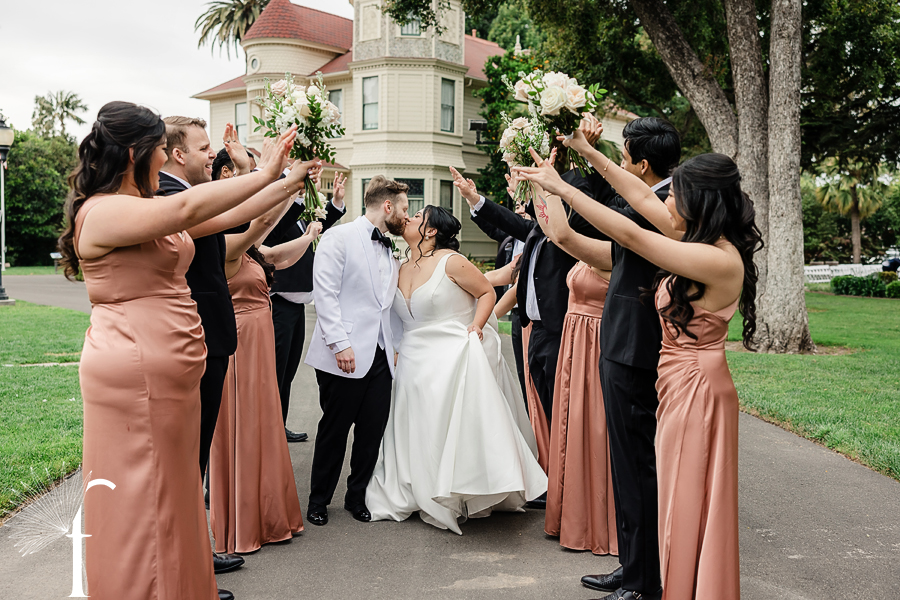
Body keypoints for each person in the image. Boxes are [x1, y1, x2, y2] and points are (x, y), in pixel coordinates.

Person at [58, 101, 309, 600]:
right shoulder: (104, 212)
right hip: (135, 372)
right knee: (144, 496)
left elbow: (223, 215)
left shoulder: (145, 208)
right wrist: (264, 168)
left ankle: (180, 586)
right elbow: (190, 207)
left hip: (166, 376)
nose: (163, 160)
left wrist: (284, 182)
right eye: (158, 151)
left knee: (173, 492)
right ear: (137, 153)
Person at [517, 138, 761, 600]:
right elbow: (643, 197)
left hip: (697, 389)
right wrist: (587, 152)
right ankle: (666, 579)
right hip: (677, 380)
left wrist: (564, 191)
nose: (666, 200)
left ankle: (681, 586)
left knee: (684, 493)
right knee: (673, 491)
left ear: (701, 203)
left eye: (677, 195)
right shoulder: (695, 238)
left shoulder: (716, 257)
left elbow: (630, 235)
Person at [157, 119, 309, 578]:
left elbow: (240, 212)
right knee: (186, 463)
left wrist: (284, 180)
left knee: (193, 462)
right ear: (177, 153)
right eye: (205, 148)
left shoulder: (181, 194)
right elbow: (240, 219)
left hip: (209, 337)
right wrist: (268, 174)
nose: (212, 155)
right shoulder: (169, 196)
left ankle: (195, 559)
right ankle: (187, 565)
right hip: (190, 341)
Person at [537, 116, 677, 598]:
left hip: (637, 347)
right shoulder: (654, 200)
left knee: (637, 464)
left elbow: (619, 231)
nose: (619, 164)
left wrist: (568, 184)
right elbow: (615, 257)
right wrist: (563, 233)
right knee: (626, 463)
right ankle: (632, 562)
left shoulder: (665, 205)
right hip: (622, 342)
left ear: (641, 164)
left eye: (623, 157)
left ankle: (643, 580)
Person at [365, 205, 547, 533]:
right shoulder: (399, 266)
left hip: (449, 354)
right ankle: (418, 488)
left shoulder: (451, 261)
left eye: (417, 217)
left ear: (432, 231)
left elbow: (486, 292)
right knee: (417, 426)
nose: (409, 219)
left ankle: (458, 490)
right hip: (411, 358)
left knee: (444, 424)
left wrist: (477, 326)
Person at [207, 156, 325, 555]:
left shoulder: (252, 250)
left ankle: (269, 514)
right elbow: (260, 221)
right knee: (244, 428)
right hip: (240, 345)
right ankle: (241, 520)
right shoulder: (225, 248)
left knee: (264, 424)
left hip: (257, 341)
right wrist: (288, 183)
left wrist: (308, 234)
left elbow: (275, 252)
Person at [511, 166, 618, 556]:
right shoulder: (541, 231)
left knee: (578, 424)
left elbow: (562, 231)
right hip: (552, 334)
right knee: (559, 422)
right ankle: (563, 494)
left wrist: (550, 185)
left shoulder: (588, 241)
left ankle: (584, 502)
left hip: (581, 341)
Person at [303, 175, 409, 526]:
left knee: (371, 430)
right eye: (404, 209)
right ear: (387, 206)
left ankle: (357, 496)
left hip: (380, 354)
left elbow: (386, 305)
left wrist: (394, 346)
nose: (406, 218)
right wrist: (340, 344)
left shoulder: (391, 248)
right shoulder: (339, 237)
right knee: (335, 429)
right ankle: (318, 501)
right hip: (342, 353)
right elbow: (325, 294)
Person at [263, 171, 346, 443]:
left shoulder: (301, 218)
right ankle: (270, 429)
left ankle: (279, 425)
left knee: (287, 373)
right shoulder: (275, 218)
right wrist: (296, 195)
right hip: (279, 305)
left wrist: (334, 202)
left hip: (296, 307)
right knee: (275, 373)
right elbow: (279, 227)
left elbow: (318, 226)